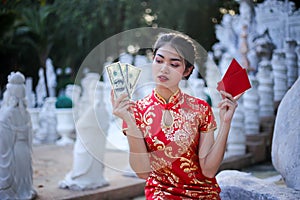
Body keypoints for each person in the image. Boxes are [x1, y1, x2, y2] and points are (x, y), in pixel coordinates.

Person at [111, 32, 240, 199]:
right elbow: (142, 172)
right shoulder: (135, 110)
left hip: (202, 194)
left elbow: (208, 170)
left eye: (174, 64)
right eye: (159, 60)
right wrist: (128, 121)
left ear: (187, 71)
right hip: (161, 195)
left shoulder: (200, 109)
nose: (164, 68)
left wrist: (225, 123)